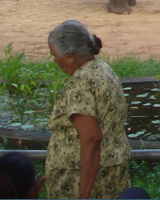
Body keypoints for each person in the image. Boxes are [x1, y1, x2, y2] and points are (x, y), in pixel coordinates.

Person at [46, 20, 131, 199]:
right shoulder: (103, 69)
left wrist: (84, 193)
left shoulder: (81, 83)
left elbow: (91, 138)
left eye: (54, 55)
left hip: (83, 178)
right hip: (112, 172)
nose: (54, 60)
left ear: (70, 56)